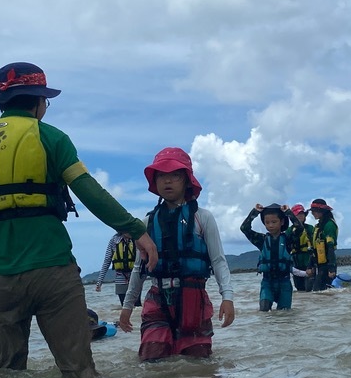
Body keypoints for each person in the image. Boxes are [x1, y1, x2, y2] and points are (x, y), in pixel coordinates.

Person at [0, 62, 157, 378]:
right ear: (38, 102)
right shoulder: (51, 137)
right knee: (78, 372)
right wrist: (135, 229)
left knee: (8, 377)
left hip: (0, 275)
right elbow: (90, 191)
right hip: (52, 268)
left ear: (2, 103)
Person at [118, 147, 235, 359]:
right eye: (162, 175)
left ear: (187, 180)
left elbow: (218, 261)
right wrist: (127, 307)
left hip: (194, 298)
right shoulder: (147, 223)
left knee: (197, 362)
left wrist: (227, 297)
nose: (167, 181)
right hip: (157, 298)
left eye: (175, 175)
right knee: (152, 357)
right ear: (155, 181)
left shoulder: (203, 218)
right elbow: (139, 269)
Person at [241, 203, 295, 311]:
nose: (270, 225)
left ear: (282, 222)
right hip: (267, 282)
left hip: (284, 283)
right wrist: (255, 212)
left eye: (274, 222)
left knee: (284, 315)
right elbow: (244, 228)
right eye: (267, 222)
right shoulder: (261, 240)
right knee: (264, 311)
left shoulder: (289, 239)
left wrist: (288, 213)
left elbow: (299, 229)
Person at [95, 232, 137, 305]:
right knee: (124, 305)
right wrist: (99, 282)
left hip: (135, 277)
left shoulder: (136, 239)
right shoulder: (114, 240)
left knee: (137, 306)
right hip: (120, 278)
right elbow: (107, 261)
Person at [309, 198, 339, 291]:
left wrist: (331, 268)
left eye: (314, 211)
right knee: (319, 292)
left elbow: (330, 247)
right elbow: (314, 249)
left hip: (327, 265)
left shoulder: (329, 225)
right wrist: (310, 266)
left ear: (321, 211)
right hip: (320, 265)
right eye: (312, 211)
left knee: (320, 291)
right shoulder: (319, 226)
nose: (313, 213)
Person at [287, 204, 316, 292]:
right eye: (298, 215)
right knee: (299, 288)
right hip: (296, 262)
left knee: (309, 288)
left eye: (302, 214)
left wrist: (313, 265)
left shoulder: (310, 228)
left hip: (309, 261)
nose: (300, 216)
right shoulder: (289, 231)